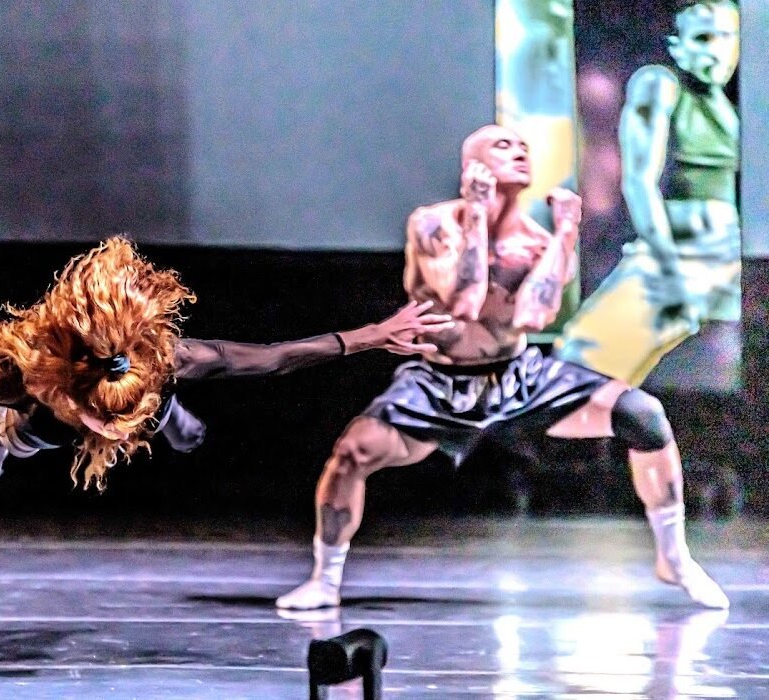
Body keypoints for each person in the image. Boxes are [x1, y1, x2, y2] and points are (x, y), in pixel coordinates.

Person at [275, 125, 728, 612]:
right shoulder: (434, 224)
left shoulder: (537, 242)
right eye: (501, 145)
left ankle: (673, 557)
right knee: (352, 453)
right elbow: (463, 302)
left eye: (522, 147)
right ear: (472, 164)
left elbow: (534, 316)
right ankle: (325, 579)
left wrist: (567, 233)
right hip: (440, 382)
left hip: (517, 377)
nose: (517, 152)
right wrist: (474, 213)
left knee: (644, 414)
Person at [0, 237, 454, 490]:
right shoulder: (23, 372)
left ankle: (161, 416)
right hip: (42, 411)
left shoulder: (166, 357)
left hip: (135, 399)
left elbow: (273, 359)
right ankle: (5, 437)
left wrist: (372, 333)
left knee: (183, 427)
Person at [553, 0, 740, 385]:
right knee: (575, 369)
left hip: (724, 253)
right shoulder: (660, 84)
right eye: (703, 38)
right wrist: (668, 267)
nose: (715, 50)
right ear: (677, 45)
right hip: (678, 248)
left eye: (726, 37)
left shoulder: (726, 106)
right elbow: (639, 181)